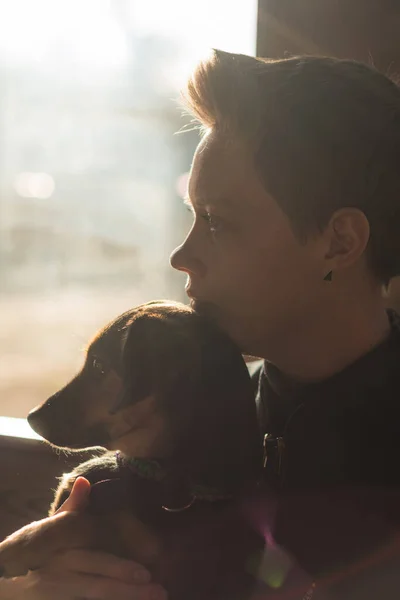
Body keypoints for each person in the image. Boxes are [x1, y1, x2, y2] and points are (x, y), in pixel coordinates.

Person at [2, 49, 400, 598]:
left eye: (216, 221)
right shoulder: (186, 426)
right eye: (192, 215)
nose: (180, 255)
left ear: (339, 242)